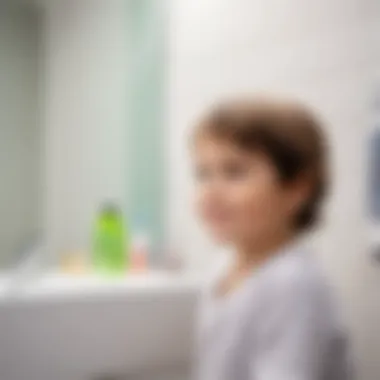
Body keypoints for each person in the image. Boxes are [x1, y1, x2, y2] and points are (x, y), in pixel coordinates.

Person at [191, 97, 352, 380]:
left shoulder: (292, 284)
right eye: (203, 174)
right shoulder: (223, 268)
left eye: (234, 172)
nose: (210, 191)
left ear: (297, 189)